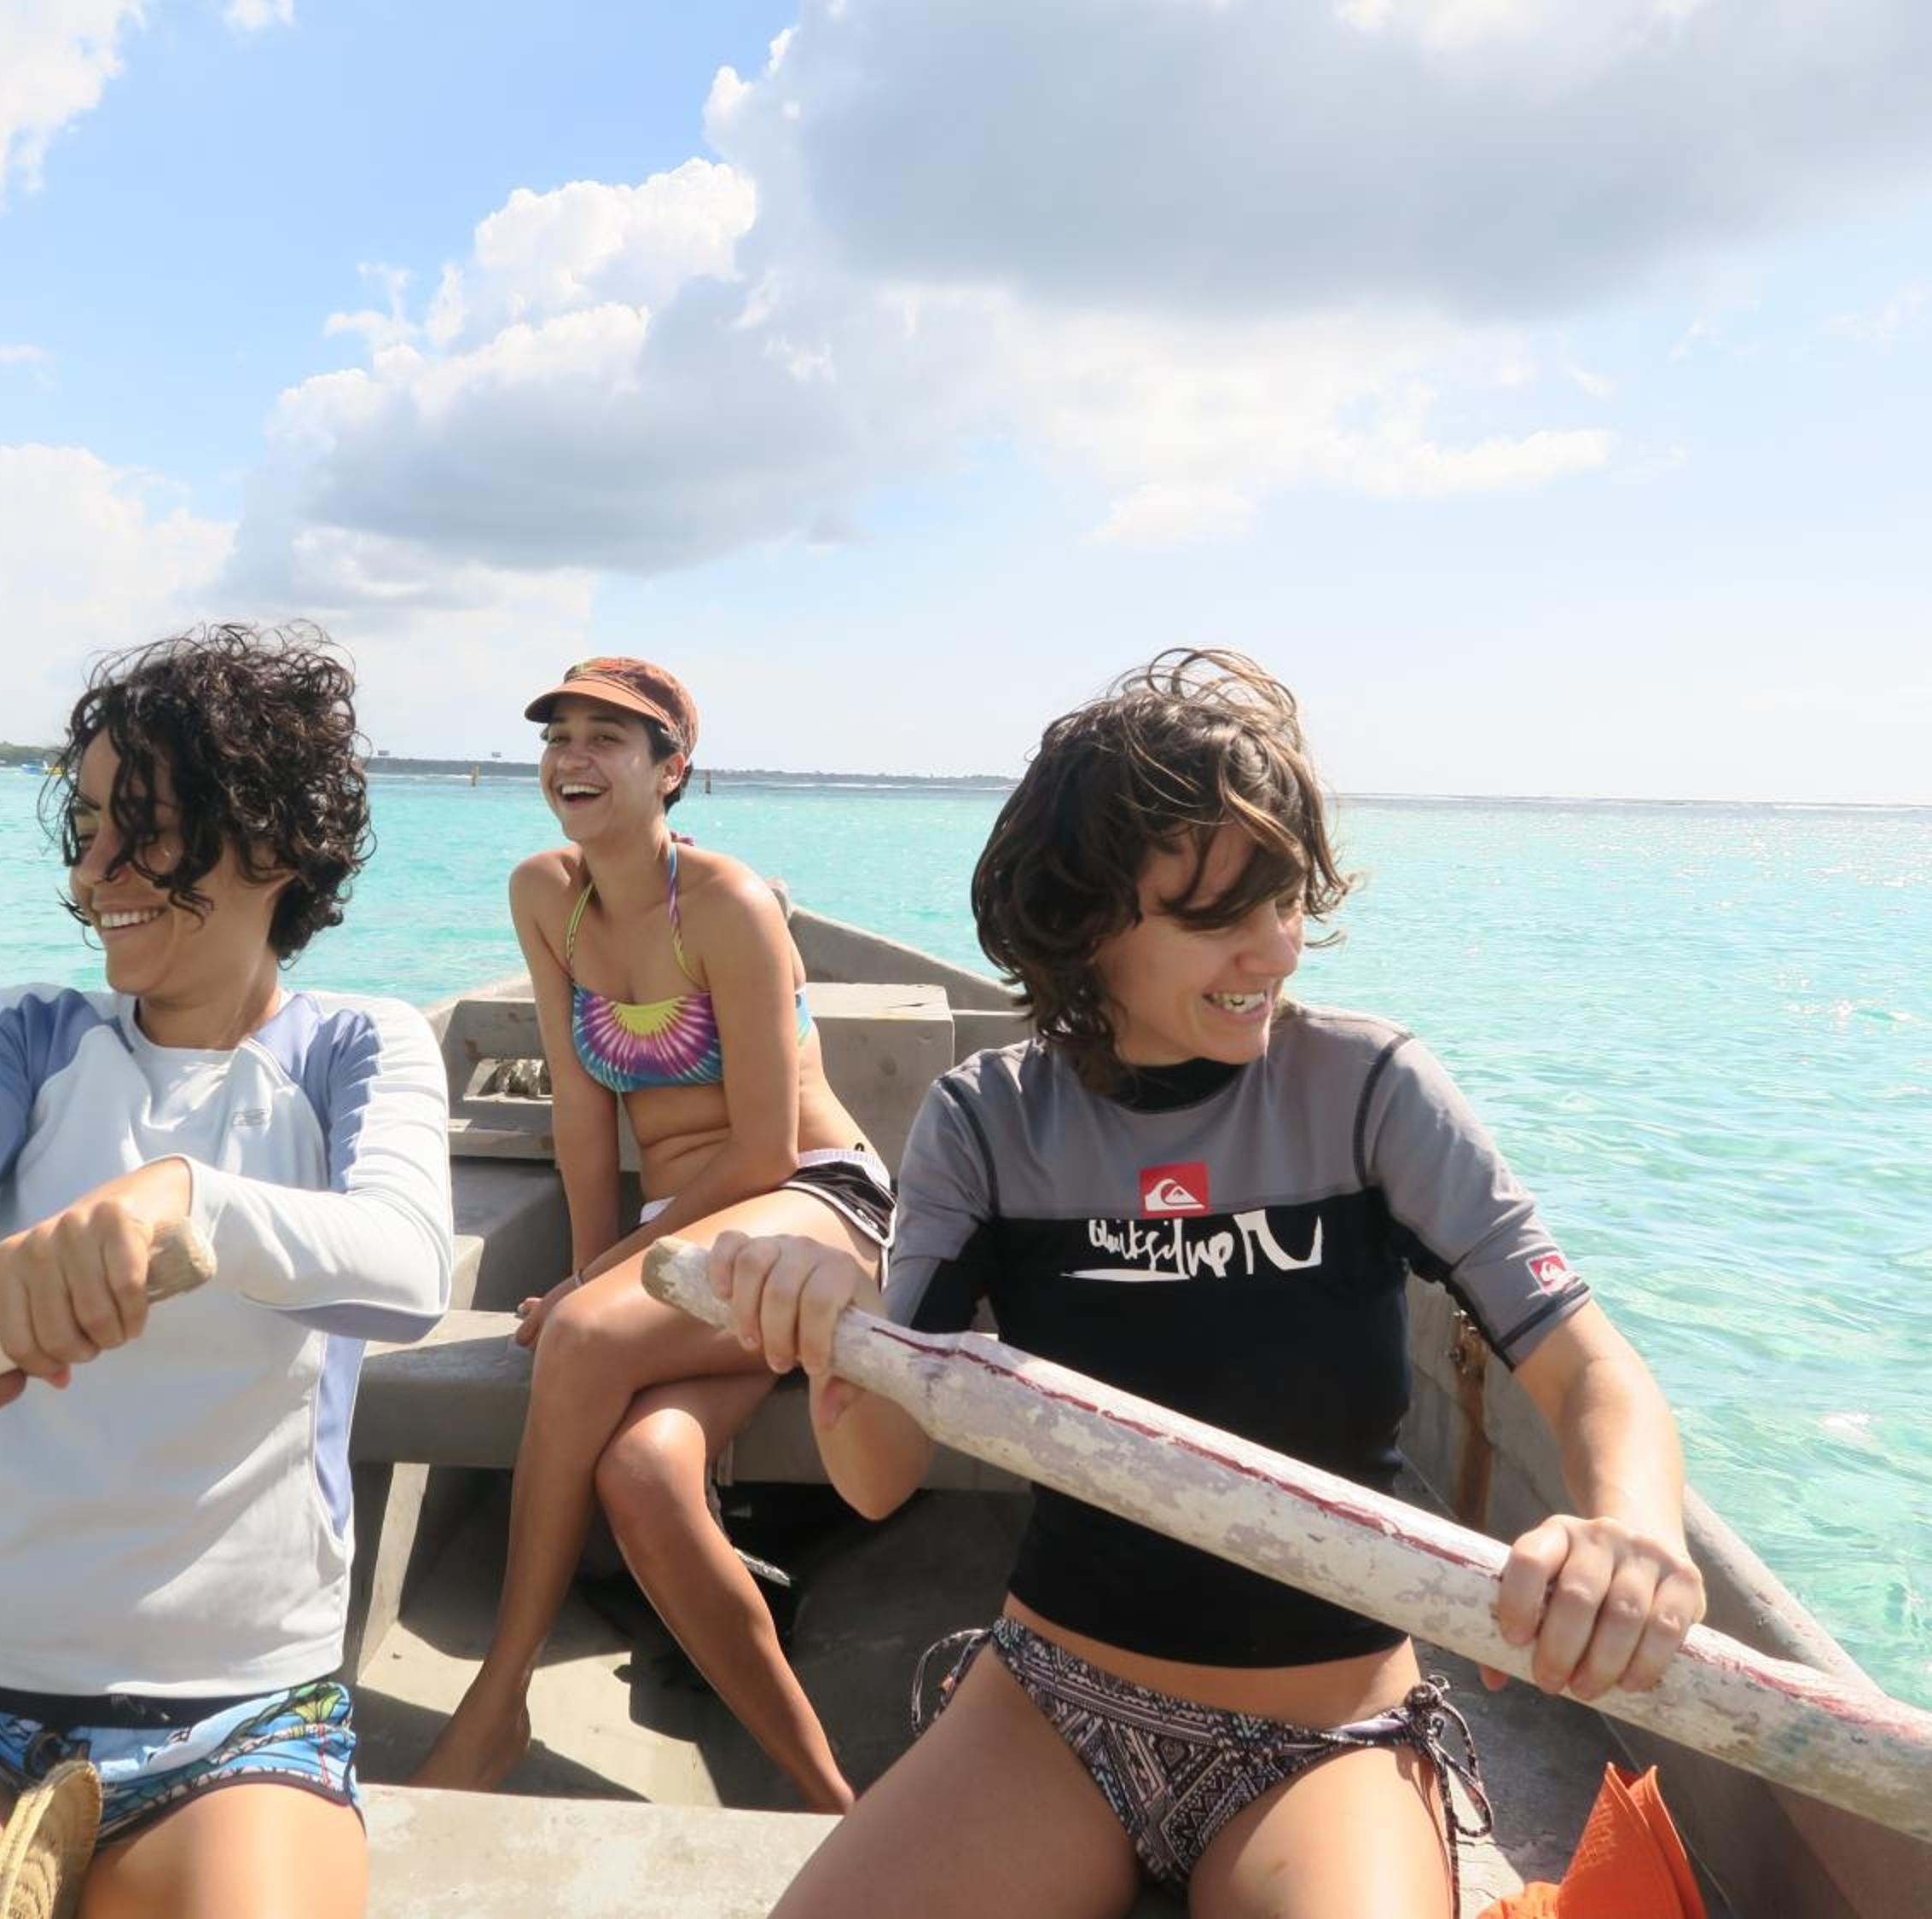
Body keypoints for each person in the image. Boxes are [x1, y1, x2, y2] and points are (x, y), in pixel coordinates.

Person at [710, 651, 1707, 1917]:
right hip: (1053, 1706)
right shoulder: (989, 1122)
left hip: (1331, 1736)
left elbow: (1589, 1367)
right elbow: (877, 1476)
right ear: (1085, 926)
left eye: (1283, 899)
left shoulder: (1370, 1093)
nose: (1276, 948)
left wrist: (1635, 1528)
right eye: (1217, 915)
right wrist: (838, 1330)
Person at [0, 624, 453, 1919]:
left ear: (275, 843)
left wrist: (185, 1203)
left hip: (242, 1698)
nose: (95, 874)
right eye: (88, 829)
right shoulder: (29, 1033)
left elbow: (406, 1265)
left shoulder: (359, 1047)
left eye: (143, 832)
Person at [411, 657, 893, 1810]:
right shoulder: (547, 896)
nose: (572, 758)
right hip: (685, 1249)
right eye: (558, 736)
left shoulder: (728, 904)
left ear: (672, 770)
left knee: (581, 1335)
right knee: (643, 1474)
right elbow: (584, 1119)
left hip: (812, 1213)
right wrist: (591, 1266)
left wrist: (596, 1290)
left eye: (607, 739)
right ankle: (832, 1801)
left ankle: (497, 1698)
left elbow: (766, 1149)